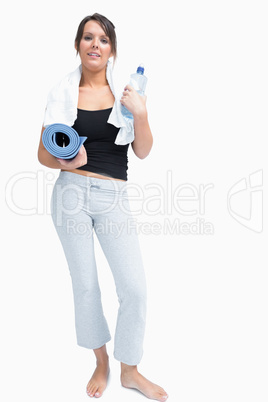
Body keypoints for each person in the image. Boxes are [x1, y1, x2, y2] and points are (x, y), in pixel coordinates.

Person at [38, 13, 168, 401]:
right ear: (78, 45)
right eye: (88, 37)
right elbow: (42, 155)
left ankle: (130, 369)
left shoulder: (127, 94)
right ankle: (101, 362)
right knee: (87, 286)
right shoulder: (62, 93)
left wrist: (141, 114)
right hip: (70, 195)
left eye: (103, 39)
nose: (95, 44)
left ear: (112, 50)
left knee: (135, 288)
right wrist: (67, 162)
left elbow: (142, 152)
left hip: (113, 197)